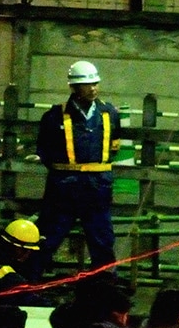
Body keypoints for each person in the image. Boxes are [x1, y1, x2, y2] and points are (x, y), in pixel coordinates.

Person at [34, 60, 122, 275]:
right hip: (63, 189)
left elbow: (113, 147)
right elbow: (44, 150)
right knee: (49, 236)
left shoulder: (109, 113)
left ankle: (104, 286)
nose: (93, 88)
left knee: (102, 240)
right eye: (87, 84)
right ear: (74, 87)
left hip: (97, 189)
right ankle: (29, 284)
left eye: (95, 83)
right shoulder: (54, 117)